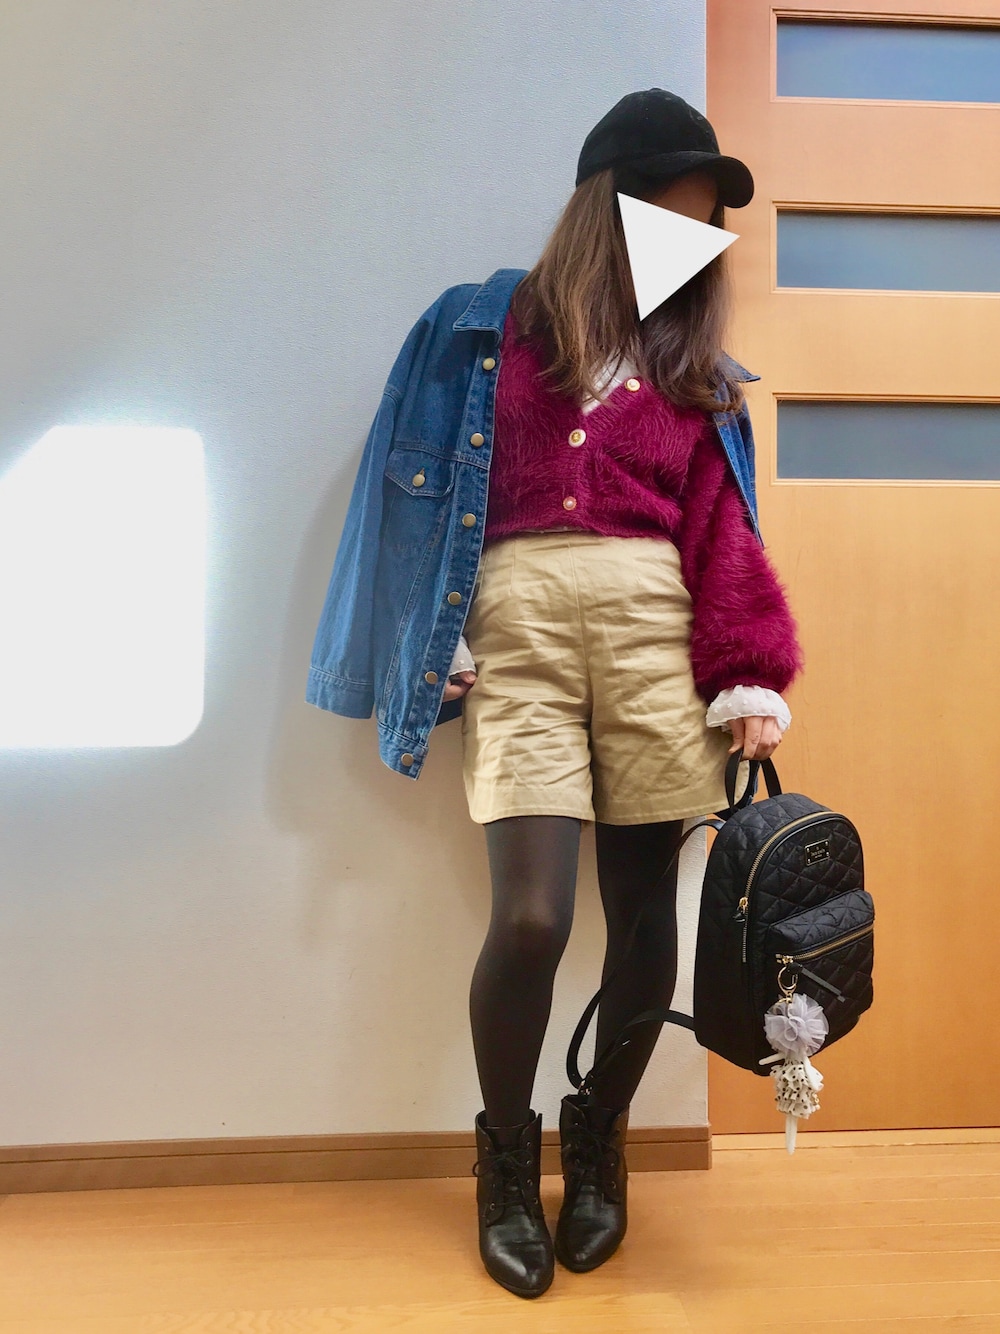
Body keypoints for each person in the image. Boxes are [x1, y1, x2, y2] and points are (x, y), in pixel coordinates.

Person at [307, 89, 803, 1299]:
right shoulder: (478, 329)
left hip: (654, 640)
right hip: (516, 633)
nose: (691, 235)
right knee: (530, 917)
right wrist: (424, 638)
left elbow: (722, 533)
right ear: (605, 206)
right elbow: (401, 491)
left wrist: (747, 669)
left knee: (643, 921)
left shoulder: (697, 371)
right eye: (670, 208)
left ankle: (597, 1142)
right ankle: (501, 1161)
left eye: (703, 220)